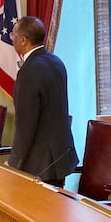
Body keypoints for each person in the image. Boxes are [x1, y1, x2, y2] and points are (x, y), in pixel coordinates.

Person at [6, 16, 78, 188]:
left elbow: (26, 124)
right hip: (58, 157)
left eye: (13, 34)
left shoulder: (29, 71)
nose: (11, 38)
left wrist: (14, 161)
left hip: (39, 163)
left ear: (23, 40)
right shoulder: (55, 61)